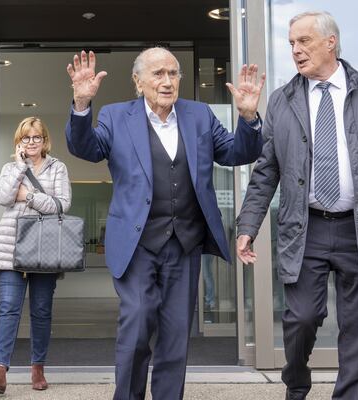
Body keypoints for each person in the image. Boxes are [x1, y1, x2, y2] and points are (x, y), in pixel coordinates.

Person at [65, 47, 265, 400]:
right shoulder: (115, 116)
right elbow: (86, 149)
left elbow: (238, 153)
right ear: (138, 82)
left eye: (173, 74)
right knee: (138, 323)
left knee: (175, 336)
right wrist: (81, 106)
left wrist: (248, 119)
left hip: (184, 244)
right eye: (158, 74)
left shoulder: (199, 116)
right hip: (137, 243)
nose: (168, 81)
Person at [236, 11, 358, 400]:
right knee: (302, 318)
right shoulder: (282, 101)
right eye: (292, 43)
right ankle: (296, 381)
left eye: (304, 41)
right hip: (306, 226)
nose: (296, 50)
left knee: (357, 327)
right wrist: (248, 226)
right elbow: (266, 172)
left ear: (330, 42)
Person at [0, 117, 72, 394]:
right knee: (8, 308)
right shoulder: (11, 167)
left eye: (36, 138)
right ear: (18, 142)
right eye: (25, 138)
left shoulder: (57, 167)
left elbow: (62, 205)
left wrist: (29, 196)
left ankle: (37, 368)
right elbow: (3, 197)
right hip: (11, 250)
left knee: (41, 311)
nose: (31, 143)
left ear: (45, 141)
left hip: (44, 250)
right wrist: (20, 168)